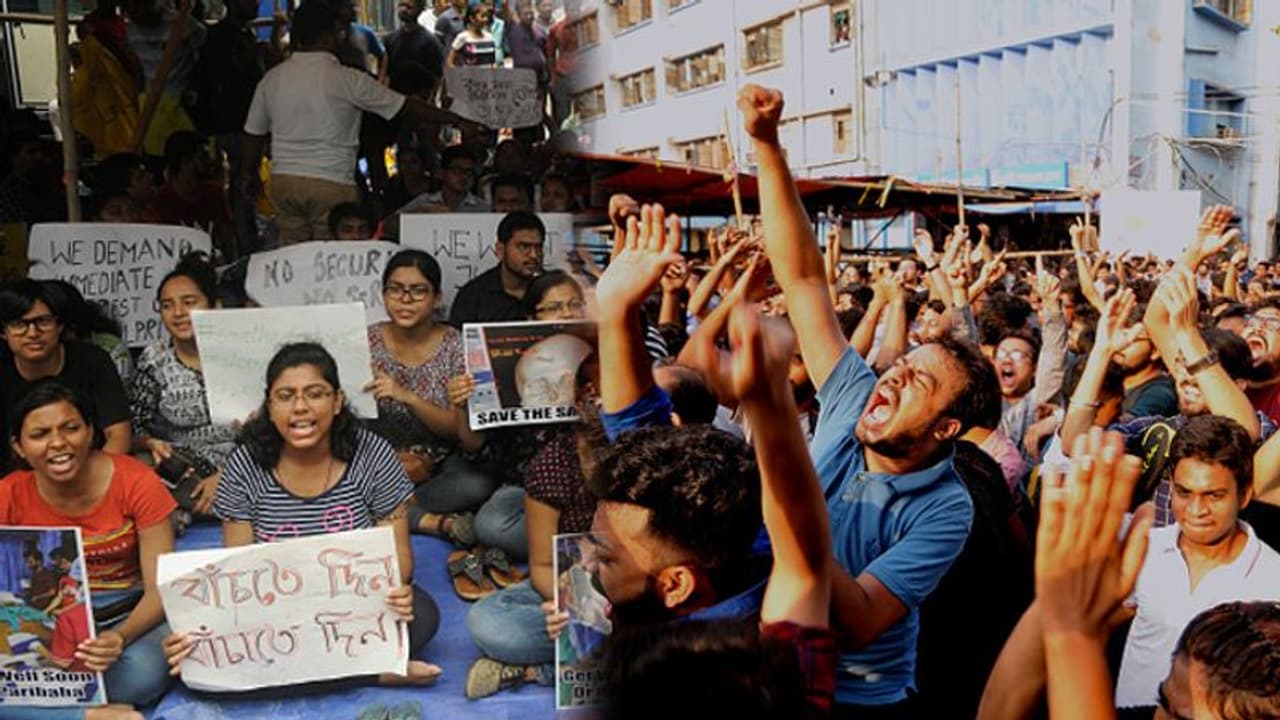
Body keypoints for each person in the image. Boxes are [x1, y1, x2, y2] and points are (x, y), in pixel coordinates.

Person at [739, 84, 997, 717]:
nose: (893, 378)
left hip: (860, 695)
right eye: (901, 365)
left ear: (946, 427)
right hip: (760, 659)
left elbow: (857, 621)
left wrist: (790, 509)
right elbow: (802, 280)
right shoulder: (853, 393)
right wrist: (768, 147)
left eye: (919, 384)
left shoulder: (946, 509)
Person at [166, 342, 441, 685]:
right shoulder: (244, 464)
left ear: (338, 401)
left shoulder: (373, 455)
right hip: (275, 610)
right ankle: (374, 674)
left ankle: (297, 672)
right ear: (269, 405)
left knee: (422, 615)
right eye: (285, 396)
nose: (300, 408)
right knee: (197, 660)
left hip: (355, 605)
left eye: (315, 394)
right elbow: (238, 564)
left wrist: (397, 589)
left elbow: (400, 558)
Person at [0, 381, 176, 720]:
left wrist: (118, 638)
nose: (58, 443)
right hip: (49, 616)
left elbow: (160, 587)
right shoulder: (9, 494)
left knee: (143, 676)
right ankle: (89, 715)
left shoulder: (137, 482)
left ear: (91, 431)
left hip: (127, 610)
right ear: (19, 447)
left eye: (71, 428)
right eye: (39, 434)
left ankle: (43, 704)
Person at [463, 271, 603, 698]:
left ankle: (536, 672)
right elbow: (545, 567)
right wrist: (576, 602)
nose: (596, 399)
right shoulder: (553, 464)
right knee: (490, 622)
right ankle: (593, 655)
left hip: (642, 592)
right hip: (579, 584)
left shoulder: (643, 443)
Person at [241, 0, 460, 245]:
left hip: (284, 183)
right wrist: (457, 120)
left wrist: (248, 175)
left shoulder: (272, 79)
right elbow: (405, 106)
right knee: (332, 259)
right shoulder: (347, 79)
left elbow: (254, 134)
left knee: (294, 256)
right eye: (338, 31)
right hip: (331, 182)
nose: (342, 36)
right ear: (326, 37)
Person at [1115, 414, 1280, 710]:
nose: (1196, 510)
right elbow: (1100, 624)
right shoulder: (1144, 549)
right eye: (1184, 492)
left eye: (1213, 495)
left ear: (1244, 495)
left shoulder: (1273, 579)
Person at [363, 250, 494, 549]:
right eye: (395, 289)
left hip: (438, 463)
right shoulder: (364, 340)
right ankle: (436, 522)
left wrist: (405, 396)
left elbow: (459, 433)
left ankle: (386, 510)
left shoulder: (455, 345)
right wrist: (391, 465)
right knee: (346, 482)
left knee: (476, 485)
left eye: (418, 290)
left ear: (437, 298)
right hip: (379, 462)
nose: (405, 299)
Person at [128, 253, 236, 521]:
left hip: (248, 460)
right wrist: (152, 443)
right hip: (184, 465)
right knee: (143, 467)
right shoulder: (154, 359)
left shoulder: (242, 350)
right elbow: (131, 426)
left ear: (215, 306)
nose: (178, 313)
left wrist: (226, 474)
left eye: (189, 302)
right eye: (167, 305)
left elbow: (272, 426)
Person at [0, 280, 132, 473]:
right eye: (19, 324)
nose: (32, 333)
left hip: (88, 473)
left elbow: (118, 435)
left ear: (59, 325)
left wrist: (93, 481)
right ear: (4, 331)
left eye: (43, 321)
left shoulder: (91, 360)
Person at [449, 210, 546, 326]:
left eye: (538, 247)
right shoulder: (472, 296)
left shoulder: (554, 288)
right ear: (500, 250)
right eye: (524, 247)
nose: (534, 255)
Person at [150, 130, 234, 257]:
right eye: (203, 157)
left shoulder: (214, 193)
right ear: (186, 163)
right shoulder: (160, 201)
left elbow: (227, 238)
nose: (209, 162)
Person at [384, 0, 444, 88]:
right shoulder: (389, 39)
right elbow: (385, 73)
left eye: (409, 7)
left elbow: (438, 77)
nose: (403, 9)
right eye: (401, 5)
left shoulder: (430, 41)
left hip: (421, 97)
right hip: (395, 97)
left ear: (419, 10)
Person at [447, 3, 497, 67]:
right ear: (472, 18)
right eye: (482, 16)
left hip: (488, 76)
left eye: (487, 16)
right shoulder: (463, 37)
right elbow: (450, 62)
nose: (486, 19)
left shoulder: (490, 37)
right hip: (469, 76)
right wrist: (459, 75)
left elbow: (493, 62)